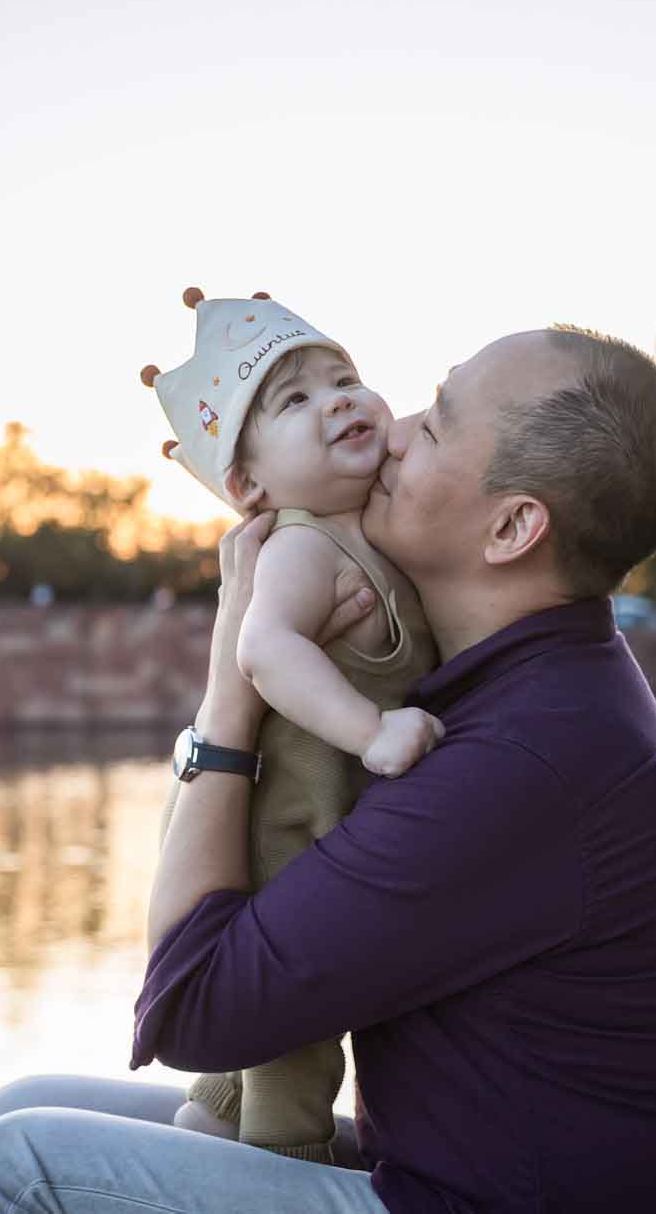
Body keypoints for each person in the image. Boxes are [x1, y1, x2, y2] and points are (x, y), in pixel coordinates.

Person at [0, 325, 656, 1214]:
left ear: (513, 527)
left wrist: (230, 692)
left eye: (435, 425)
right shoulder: (542, 687)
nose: (391, 428)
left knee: (11, 1167)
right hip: (475, 1175)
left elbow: (193, 1005)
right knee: (10, 1108)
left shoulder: (522, 757)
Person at [143, 287, 443, 1162]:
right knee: (299, 1056)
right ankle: (277, 1167)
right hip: (284, 846)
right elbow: (264, 648)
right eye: (296, 398)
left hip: (309, 832)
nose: (339, 399)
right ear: (247, 486)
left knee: (271, 1053)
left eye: (345, 378)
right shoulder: (304, 546)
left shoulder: (370, 533)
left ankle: (212, 1126)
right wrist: (368, 731)